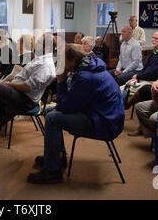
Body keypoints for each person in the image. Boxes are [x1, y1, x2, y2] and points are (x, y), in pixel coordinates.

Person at [27, 44, 125, 184]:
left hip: (104, 124)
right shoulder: (90, 66)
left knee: (52, 118)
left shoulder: (86, 77)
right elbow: (71, 101)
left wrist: (60, 81)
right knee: (50, 111)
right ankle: (57, 157)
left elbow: (66, 106)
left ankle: (52, 171)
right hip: (103, 114)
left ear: (72, 61)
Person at [0, 33, 56, 148]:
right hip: (19, 92)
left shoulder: (45, 65)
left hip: (25, 100)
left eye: (38, 43)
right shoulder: (40, 59)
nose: (36, 44)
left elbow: (27, 87)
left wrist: (10, 84)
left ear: (47, 47)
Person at [121, 31, 158, 109]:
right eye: (153, 38)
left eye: (156, 38)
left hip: (152, 83)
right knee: (119, 89)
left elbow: (153, 74)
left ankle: (120, 109)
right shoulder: (155, 53)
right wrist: (136, 77)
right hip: (144, 79)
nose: (153, 40)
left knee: (119, 91)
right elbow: (145, 69)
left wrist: (137, 76)